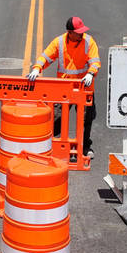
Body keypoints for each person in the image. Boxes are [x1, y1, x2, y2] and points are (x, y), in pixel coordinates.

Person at [26, 16, 101, 156]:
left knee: (86, 119)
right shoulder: (59, 42)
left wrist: (91, 73)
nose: (81, 34)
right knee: (56, 117)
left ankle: (84, 147)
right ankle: (51, 146)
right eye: (78, 32)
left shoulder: (89, 41)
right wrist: (37, 68)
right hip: (65, 89)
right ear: (70, 32)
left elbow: (95, 61)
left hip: (84, 88)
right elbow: (46, 56)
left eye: (82, 31)